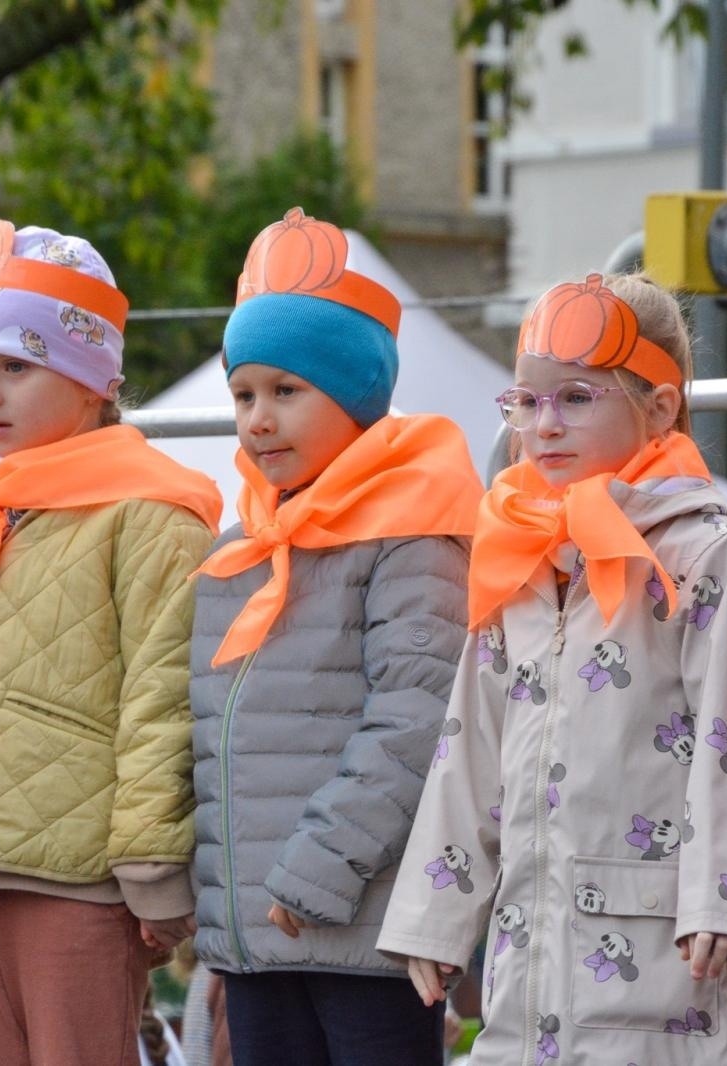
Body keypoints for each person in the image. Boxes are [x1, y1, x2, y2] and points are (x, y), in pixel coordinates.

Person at [378, 272, 727, 1064]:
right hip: (531, 961)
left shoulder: (709, 552)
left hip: (678, 964)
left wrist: (724, 898)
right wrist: (436, 915)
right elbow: (469, 744)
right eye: (526, 401)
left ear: (661, 408)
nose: (544, 424)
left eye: (576, 398)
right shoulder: (519, 558)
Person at [0, 213, 222, 1066]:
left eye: (16, 366)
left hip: (80, 877)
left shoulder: (152, 515)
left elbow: (163, 700)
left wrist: (151, 866)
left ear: (92, 379)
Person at [190, 207, 481, 1066]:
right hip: (255, 931)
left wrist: (319, 870)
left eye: (287, 391)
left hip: (362, 926)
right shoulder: (239, 551)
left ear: (355, 398)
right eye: (243, 394)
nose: (258, 418)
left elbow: (416, 719)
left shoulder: (413, 533)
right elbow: (200, 733)